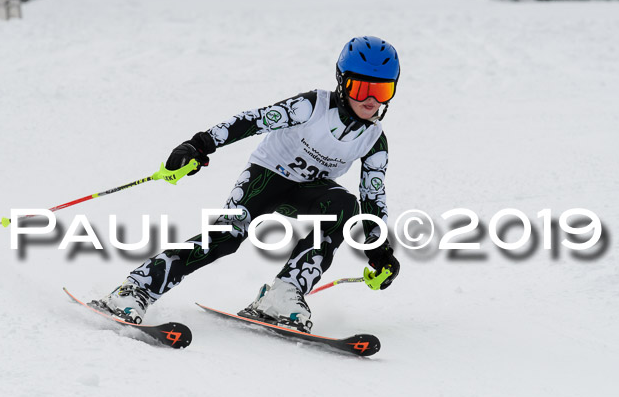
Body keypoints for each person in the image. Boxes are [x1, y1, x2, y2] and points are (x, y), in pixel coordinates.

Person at [93, 36, 401, 333]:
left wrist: (379, 249)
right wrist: (199, 145)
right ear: (342, 81)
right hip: (266, 177)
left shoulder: (375, 140)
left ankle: (283, 294)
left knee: (345, 206)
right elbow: (254, 120)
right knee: (226, 237)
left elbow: (373, 197)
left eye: (383, 90)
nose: (371, 100)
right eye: (361, 88)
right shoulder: (312, 106)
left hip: (309, 190)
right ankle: (136, 288)